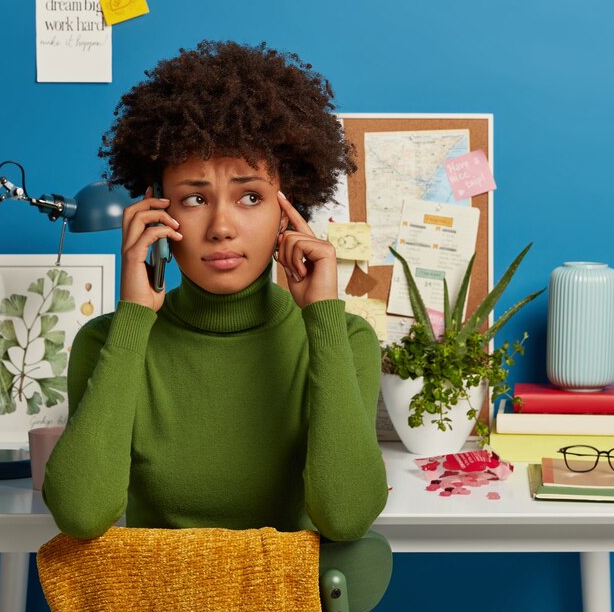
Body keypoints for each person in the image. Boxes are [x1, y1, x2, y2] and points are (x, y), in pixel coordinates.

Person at [42, 40, 388, 543]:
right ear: (157, 211)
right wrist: (135, 316)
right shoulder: (106, 342)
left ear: (287, 212)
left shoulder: (344, 339)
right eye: (195, 198)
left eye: (250, 196)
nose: (222, 227)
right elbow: (80, 513)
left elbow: (347, 516)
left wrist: (323, 319)